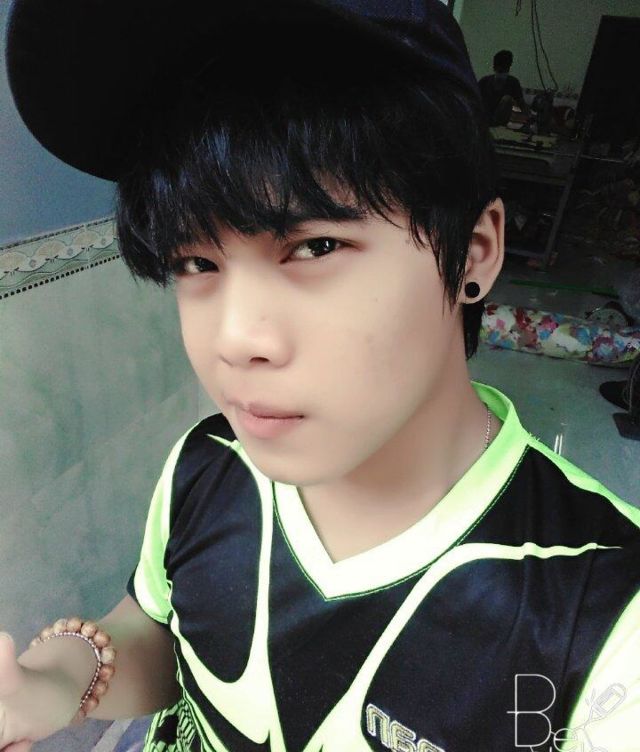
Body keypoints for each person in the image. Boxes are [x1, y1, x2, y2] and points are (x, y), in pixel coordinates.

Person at [2, 1, 639, 751]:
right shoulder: (208, 463)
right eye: (196, 262)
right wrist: (58, 682)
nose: (235, 340)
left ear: (473, 252)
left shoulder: (600, 612)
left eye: (314, 247)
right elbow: (168, 634)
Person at [479, 49, 531, 126]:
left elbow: (521, 103)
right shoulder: (484, 82)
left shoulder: (513, 83)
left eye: (505, 70)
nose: (502, 74)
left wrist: (529, 117)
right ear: (494, 68)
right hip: (484, 117)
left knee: (507, 99)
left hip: (499, 120)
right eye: (500, 71)